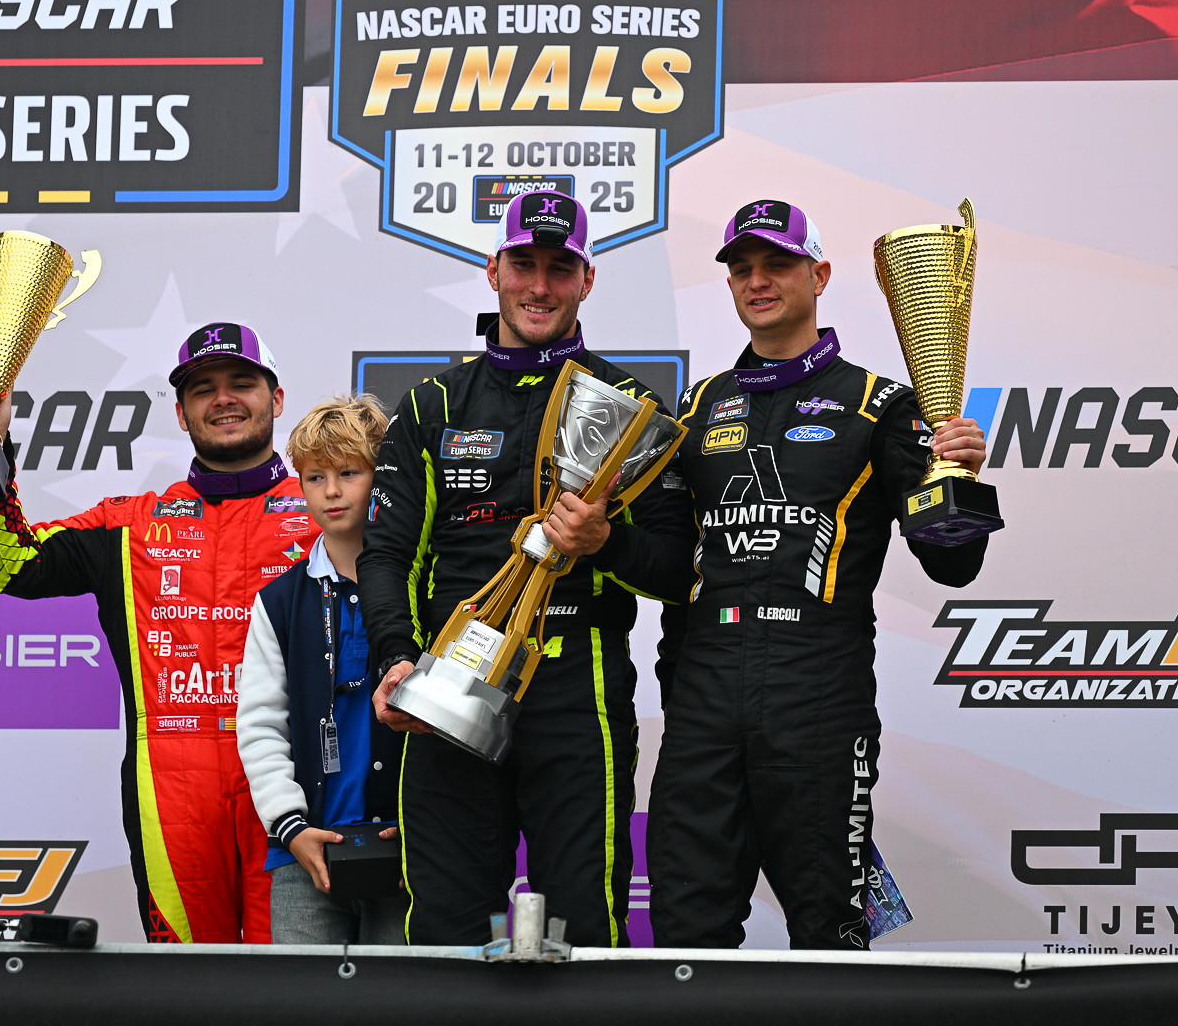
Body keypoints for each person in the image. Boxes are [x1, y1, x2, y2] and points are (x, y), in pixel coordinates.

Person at [598, 200, 991, 950]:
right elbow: (674, 566)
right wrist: (603, 541)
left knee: (828, 927)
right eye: (741, 268)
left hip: (817, 691)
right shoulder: (700, 405)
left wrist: (960, 477)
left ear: (819, 274)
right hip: (705, 691)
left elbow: (954, 563)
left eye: (776, 263)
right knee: (684, 926)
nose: (758, 280)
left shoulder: (881, 404)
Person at [358, 191, 694, 947]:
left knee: (582, 930)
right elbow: (386, 554)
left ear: (587, 280)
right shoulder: (436, 402)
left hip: (578, 690)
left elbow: (677, 571)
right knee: (444, 929)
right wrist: (394, 657)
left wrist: (604, 542)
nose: (539, 285)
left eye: (559, 268)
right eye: (524, 264)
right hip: (450, 680)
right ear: (493, 270)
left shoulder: (631, 406)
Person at [0, 322, 317, 943]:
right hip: (171, 785)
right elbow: (8, 564)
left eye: (242, 383)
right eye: (203, 389)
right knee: (192, 985)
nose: (223, 399)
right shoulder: (130, 525)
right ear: (181, 414)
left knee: (294, 978)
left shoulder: (329, 514)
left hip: (296, 776)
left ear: (277, 399)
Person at [237, 394, 406, 944]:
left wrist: (425, 823)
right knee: (305, 1009)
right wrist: (292, 828)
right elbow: (261, 725)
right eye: (314, 478)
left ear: (381, 477)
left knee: (408, 1005)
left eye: (349, 473)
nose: (331, 492)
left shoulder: (424, 589)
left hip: (408, 849)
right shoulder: (281, 601)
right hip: (304, 850)